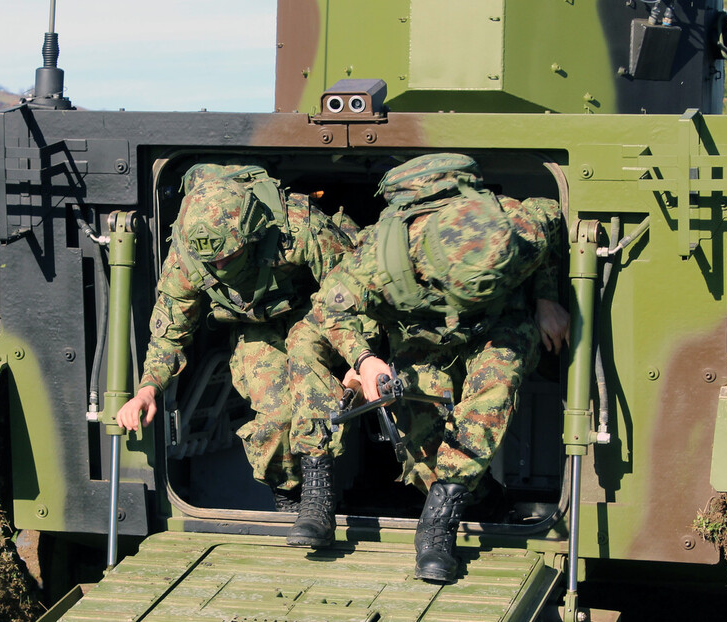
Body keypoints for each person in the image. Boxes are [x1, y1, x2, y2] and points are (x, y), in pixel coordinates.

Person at [284, 153, 569, 582]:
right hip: (422, 336)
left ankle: (436, 530)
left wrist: (546, 298)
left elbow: (550, 217)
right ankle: (489, 502)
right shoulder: (384, 258)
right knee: (419, 446)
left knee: (496, 382)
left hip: (498, 325)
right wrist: (365, 360)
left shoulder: (518, 225)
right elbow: (328, 309)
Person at [116, 162, 356, 512]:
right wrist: (148, 389)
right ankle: (288, 496)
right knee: (275, 416)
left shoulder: (299, 228)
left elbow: (355, 296)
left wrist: (360, 360)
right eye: (214, 263)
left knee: (313, 393)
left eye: (230, 257)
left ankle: (319, 493)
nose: (222, 269)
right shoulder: (188, 259)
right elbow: (169, 331)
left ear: (253, 235)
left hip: (317, 313)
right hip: (258, 323)